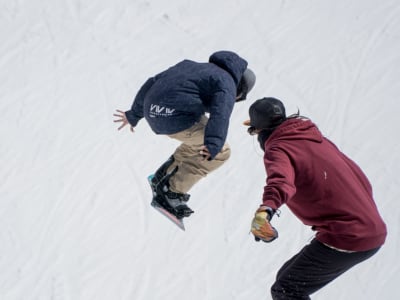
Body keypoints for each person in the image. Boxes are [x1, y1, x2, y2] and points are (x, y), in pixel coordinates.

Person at [246, 97, 387, 299]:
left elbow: (280, 181)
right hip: (369, 227)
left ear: (259, 131)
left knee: (286, 290)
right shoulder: (315, 138)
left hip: (348, 235)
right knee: (286, 278)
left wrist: (265, 210)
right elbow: (358, 176)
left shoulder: (278, 148)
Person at [113, 50, 255, 218]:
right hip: (174, 117)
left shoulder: (191, 66)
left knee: (199, 135)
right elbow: (220, 114)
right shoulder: (227, 83)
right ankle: (172, 192)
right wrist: (213, 144)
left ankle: (163, 175)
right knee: (221, 151)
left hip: (153, 112)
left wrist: (134, 114)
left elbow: (152, 82)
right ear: (240, 88)